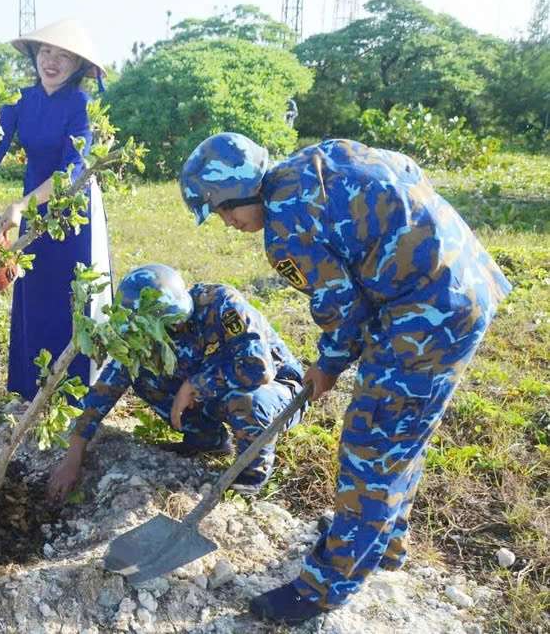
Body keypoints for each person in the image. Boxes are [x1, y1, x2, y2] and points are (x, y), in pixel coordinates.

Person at [179, 133, 512, 624]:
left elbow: (342, 312)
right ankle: (384, 543)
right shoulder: (319, 159)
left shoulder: (285, 229)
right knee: (402, 436)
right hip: (464, 281)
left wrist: (328, 365)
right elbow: (405, 169)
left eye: (224, 209)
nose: (229, 223)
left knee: (371, 443)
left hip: (425, 316)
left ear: (241, 189)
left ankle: (324, 588)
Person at [47, 264, 306, 503]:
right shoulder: (142, 334)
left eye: (175, 322)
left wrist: (194, 385)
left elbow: (258, 368)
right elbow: (105, 389)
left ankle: (248, 481)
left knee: (247, 400)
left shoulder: (222, 304)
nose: (174, 328)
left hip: (279, 390)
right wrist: (73, 459)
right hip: (218, 390)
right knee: (144, 377)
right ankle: (207, 441)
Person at [0, 18, 113, 400]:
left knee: (71, 296)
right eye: (45, 52)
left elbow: (71, 170)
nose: (51, 62)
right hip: (32, 207)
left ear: (77, 66)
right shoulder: (21, 101)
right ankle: (31, 389)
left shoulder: (81, 105)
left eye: (63, 56)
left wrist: (21, 204)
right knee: (35, 291)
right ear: (34, 56)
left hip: (73, 211)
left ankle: (73, 393)